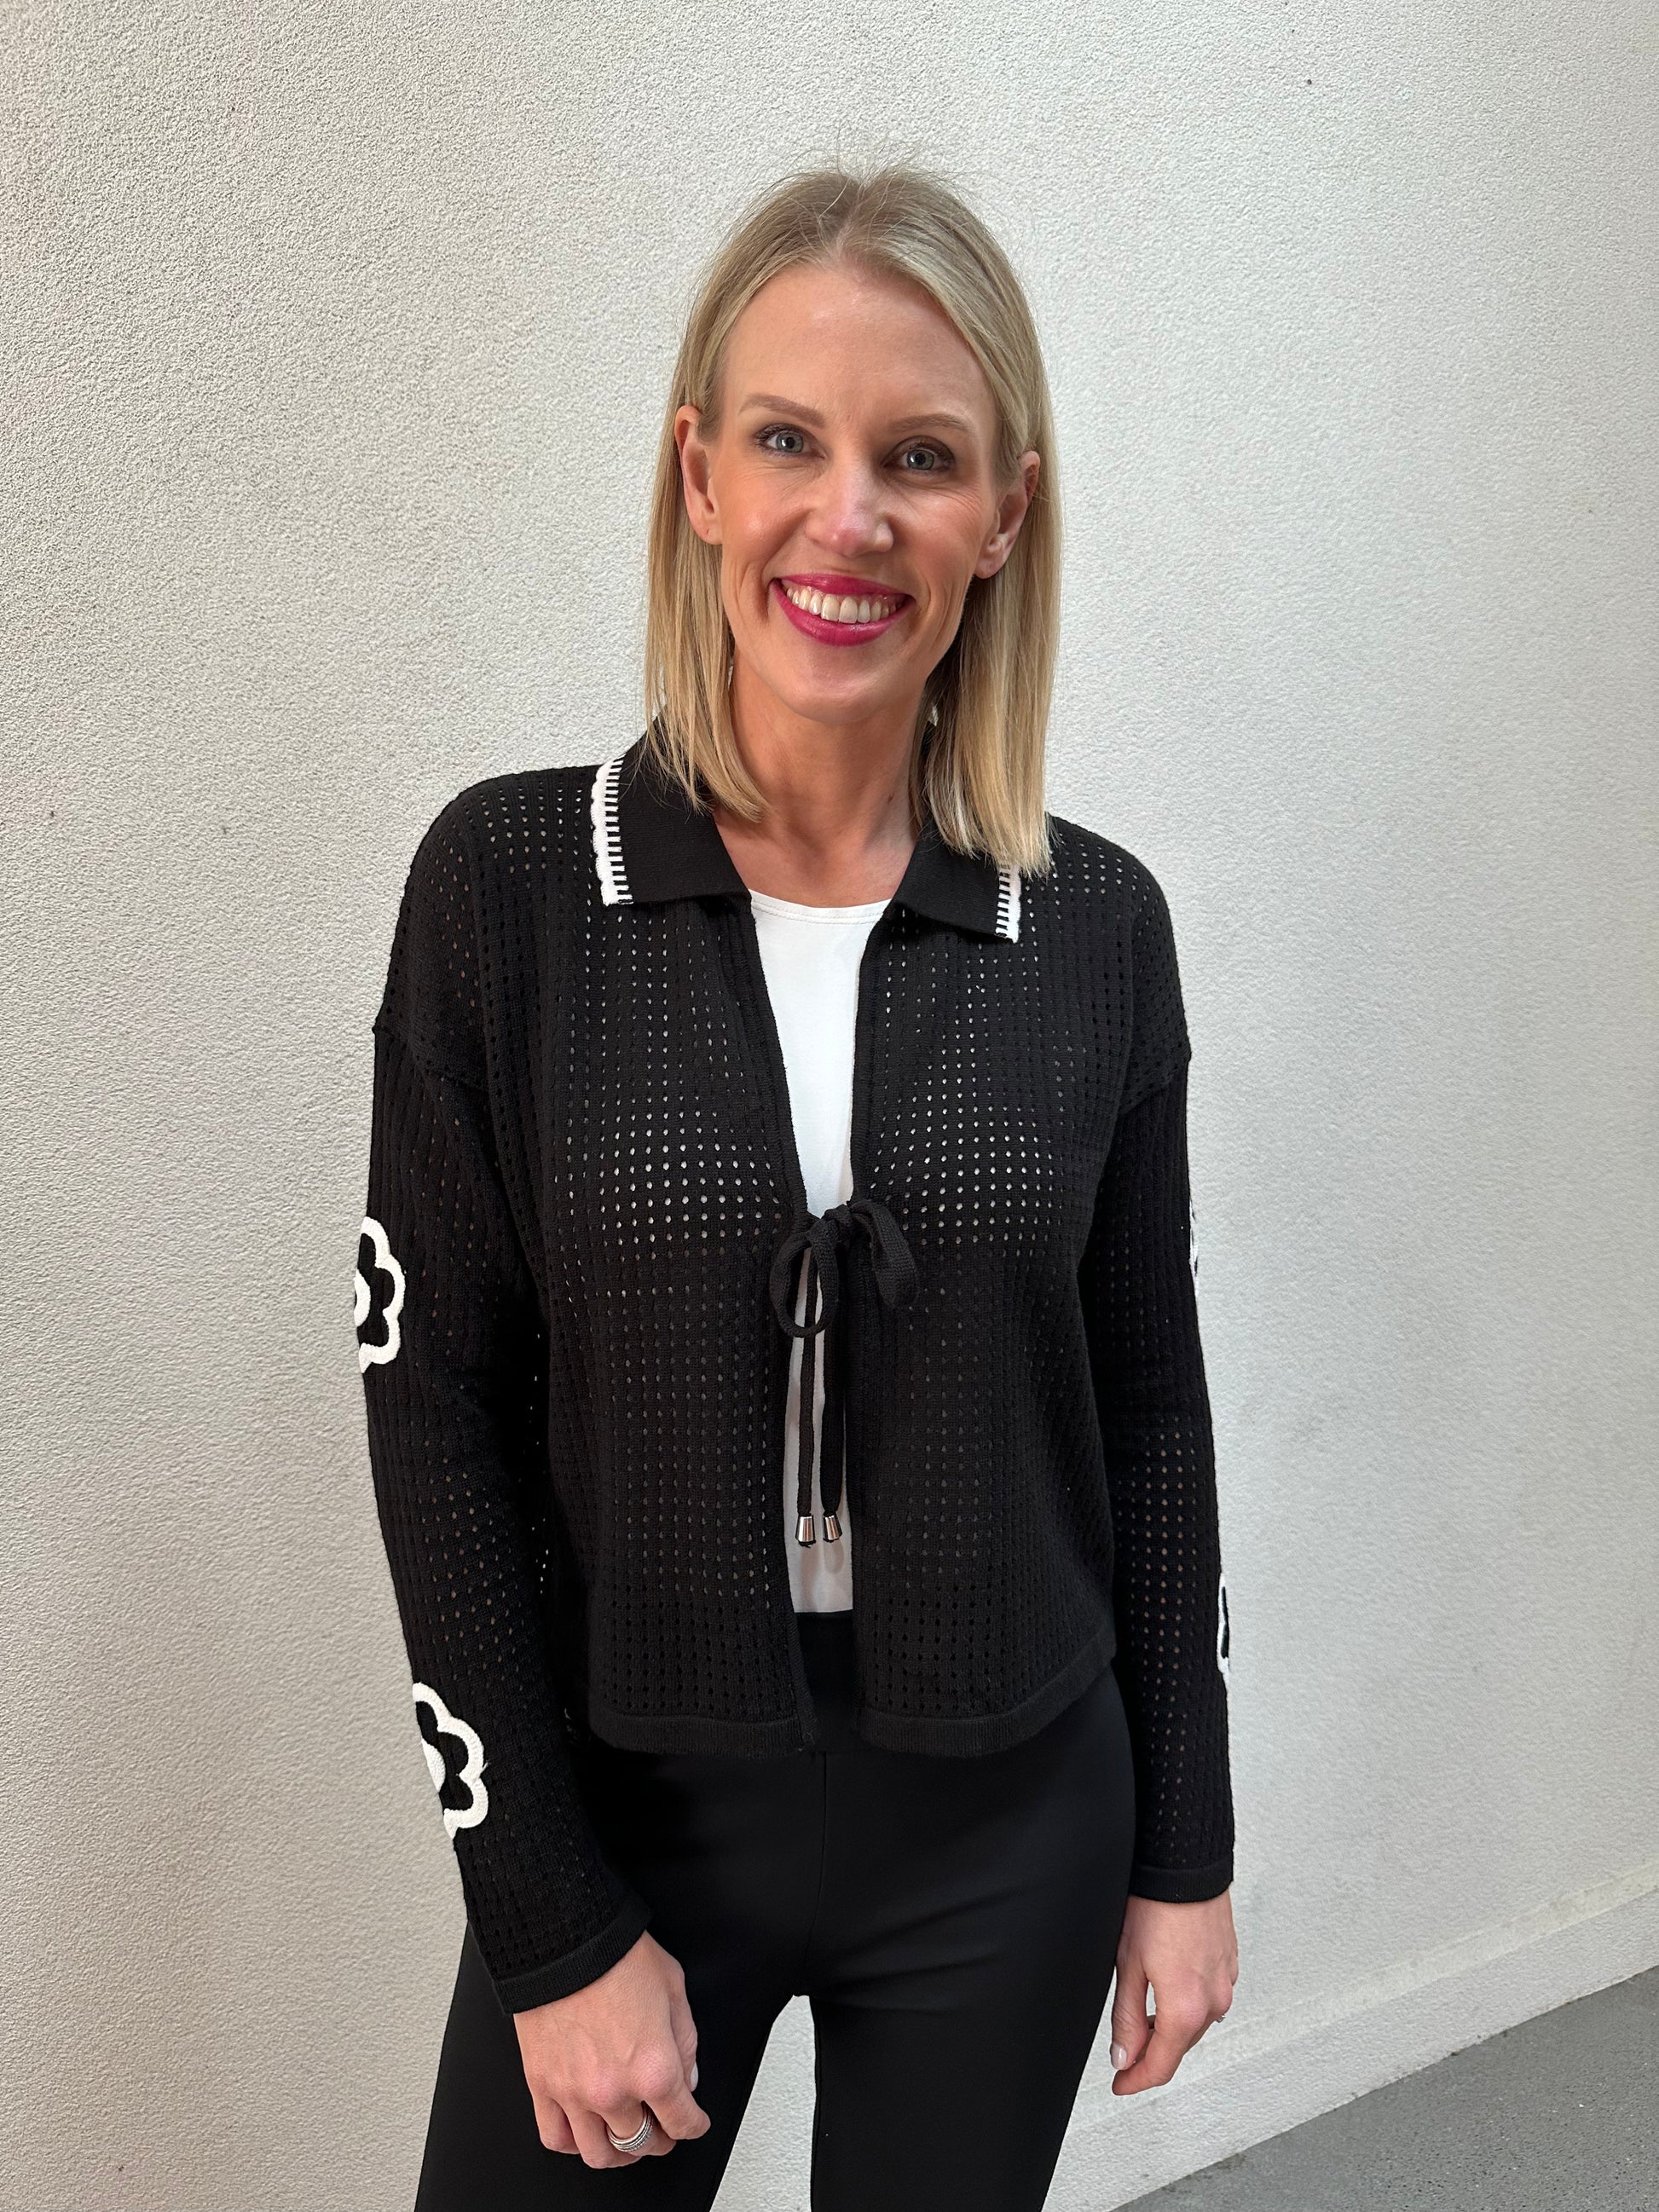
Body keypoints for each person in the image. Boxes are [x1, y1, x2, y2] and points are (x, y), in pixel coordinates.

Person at [356, 159, 1239, 2212]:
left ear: (1002, 513)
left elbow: (1150, 1406)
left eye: (917, 457)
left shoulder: (1092, 926)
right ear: (698, 475)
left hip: (1013, 1816)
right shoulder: (508, 889)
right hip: (637, 1808)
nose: (848, 517)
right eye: (786, 441)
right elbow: (435, 1415)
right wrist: (545, 1919)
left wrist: (1183, 1846)